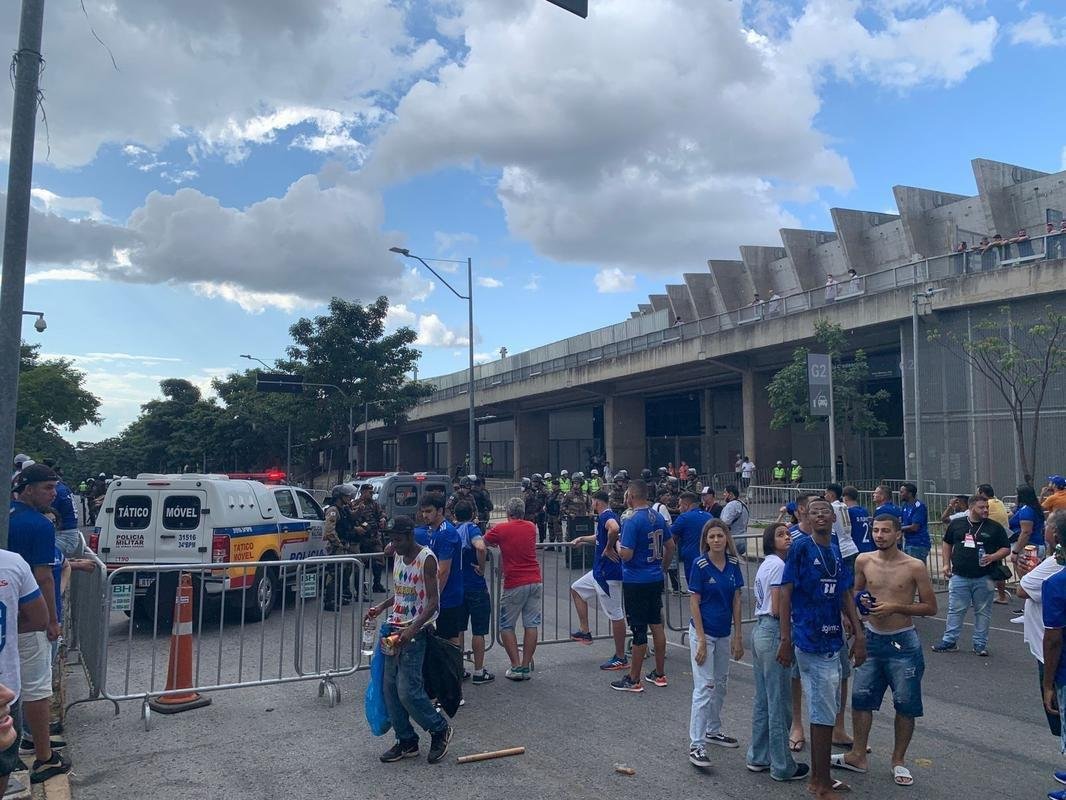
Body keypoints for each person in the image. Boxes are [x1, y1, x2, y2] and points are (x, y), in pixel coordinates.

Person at [832, 514, 937, 788]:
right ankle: (857, 755)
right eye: (876, 530)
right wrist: (857, 611)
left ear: (898, 534)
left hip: (903, 642)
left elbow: (930, 607)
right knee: (861, 698)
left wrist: (896, 607)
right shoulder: (864, 560)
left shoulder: (914, 566)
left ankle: (898, 759)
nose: (879, 535)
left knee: (905, 703)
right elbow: (854, 592)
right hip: (872, 638)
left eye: (886, 531)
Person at [777, 499, 866, 800]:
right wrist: (785, 639)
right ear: (806, 516)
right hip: (809, 639)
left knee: (825, 709)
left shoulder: (835, 551)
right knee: (823, 709)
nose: (820, 516)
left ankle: (821, 776)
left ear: (833, 517)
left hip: (833, 639)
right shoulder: (801, 548)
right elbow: (786, 593)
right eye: (814, 512)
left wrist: (859, 631)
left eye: (825, 511)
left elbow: (844, 592)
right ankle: (819, 781)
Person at [365, 516, 452, 765]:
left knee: (407, 691)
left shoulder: (426, 559)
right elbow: (403, 591)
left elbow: (432, 602)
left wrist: (411, 631)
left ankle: (439, 729)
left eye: (399, 539)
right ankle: (406, 740)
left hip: (415, 634)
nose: (395, 544)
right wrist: (381, 606)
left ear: (410, 536)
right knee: (389, 689)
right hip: (393, 629)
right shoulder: (398, 556)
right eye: (392, 539)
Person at [8, 464, 70, 782]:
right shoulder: (38, 525)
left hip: (10, 619)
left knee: (12, 686)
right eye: (48, 487)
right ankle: (44, 758)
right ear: (28, 489)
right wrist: (52, 620)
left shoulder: (9, 517)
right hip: (33, 620)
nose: (54, 493)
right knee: (36, 688)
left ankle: (23, 742)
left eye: (55, 487)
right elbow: (43, 577)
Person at [747, 523, 809, 782]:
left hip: (761, 631)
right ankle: (782, 764)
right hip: (774, 631)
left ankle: (759, 755)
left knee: (764, 699)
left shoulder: (767, 563)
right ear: (771, 541)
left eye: (788, 534)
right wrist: (787, 636)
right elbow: (777, 605)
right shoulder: (780, 566)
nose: (788, 538)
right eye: (781, 535)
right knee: (779, 701)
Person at [686, 519, 745, 767]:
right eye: (712, 537)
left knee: (720, 683)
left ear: (726, 538)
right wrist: (700, 639)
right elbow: (694, 603)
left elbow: (737, 600)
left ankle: (713, 729)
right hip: (704, 633)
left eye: (720, 536)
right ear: (706, 540)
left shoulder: (733, 565)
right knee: (704, 687)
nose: (717, 540)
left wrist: (738, 636)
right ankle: (696, 745)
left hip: (723, 633)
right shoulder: (699, 565)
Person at [612, 479, 672, 692]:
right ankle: (660, 673)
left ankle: (633, 678)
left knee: (638, 628)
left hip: (636, 580)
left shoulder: (632, 520)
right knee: (656, 624)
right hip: (654, 576)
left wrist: (617, 544)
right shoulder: (657, 516)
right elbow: (670, 545)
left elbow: (626, 555)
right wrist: (662, 567)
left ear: (632, 496)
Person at [932, 494, 1010, 656]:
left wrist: (992, 557)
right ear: (971, 507)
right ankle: (949, 640)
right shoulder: (957, 524)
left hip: (986, 577)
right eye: (982, 507)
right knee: (956, 609)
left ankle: (980, 644)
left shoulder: (994, 527)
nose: (986, 510)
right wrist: (946, 563)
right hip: (960, 575)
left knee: (983, 611)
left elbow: (1005, 548)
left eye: (987, 507)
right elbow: (947, 543)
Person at [1017, 512, 1065, 742]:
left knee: (1056, 705)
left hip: (1054, 655)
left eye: (1047, 525)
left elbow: (1022, 590)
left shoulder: (1057, 573)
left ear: (1055, 533)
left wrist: (1048, 683)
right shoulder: (1054, 563)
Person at [484, 498, 543, 681]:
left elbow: (485, 541)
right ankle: (525, 666)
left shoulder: (501, 529)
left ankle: (516, 666)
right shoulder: (531, 527)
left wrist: (490, 529)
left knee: (506, 625)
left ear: (508, 513)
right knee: (531, 624)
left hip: (515, 582)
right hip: (534, 578)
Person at [568, 491, 628, 671]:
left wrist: (609, 547)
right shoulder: (604, 517)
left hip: (608, 575)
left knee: (616, 615)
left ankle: (620, 657)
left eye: (592, 501)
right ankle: (585, 631)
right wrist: (582, 539)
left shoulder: (607, 516)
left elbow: (614, 529)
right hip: (598, 572)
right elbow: (600, 537)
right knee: (576, 589)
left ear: (596, 502)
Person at [453, 501, 493, 685]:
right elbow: (481, 546)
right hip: (475, 586)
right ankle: (478, 670)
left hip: (458, 587)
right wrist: (482, 566)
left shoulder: (451, 530)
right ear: (472, 513)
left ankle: (458, 669)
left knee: (459, 629)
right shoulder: (471, 528)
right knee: (478, 630)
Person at [420, 493, 464, 646]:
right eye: (423, 511)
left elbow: (443, 572)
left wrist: (433, 599)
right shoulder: (434, 530)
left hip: (448, 597)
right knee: (440, 638)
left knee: (449, 639)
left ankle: (454, 669)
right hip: (442, 597)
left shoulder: (446, 533)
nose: (424, 515)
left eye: (429, 511)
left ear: (440, 511)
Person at [976, 484, 1011, 604]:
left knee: (990, 571)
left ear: (981, 493)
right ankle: (1000, 595)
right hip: (1001, 540)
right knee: (996, 568)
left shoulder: (986, 504)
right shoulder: (999, 502)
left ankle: (990, 596)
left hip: (989, 541)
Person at [352, 483, 387, 594]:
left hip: (374, 536)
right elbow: (350, 518)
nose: (371, 495)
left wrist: (383, 519)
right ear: (363, 492)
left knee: (379, 562)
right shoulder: (355, 504)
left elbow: (381, 514)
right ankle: (362, 588)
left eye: (372, 493)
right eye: (369, 492)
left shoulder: (374, 504)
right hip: (362, 538)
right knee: (360, 564)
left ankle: (377, 584)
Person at [671, 493, 712, 589]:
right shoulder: (709, 516)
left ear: (686, 505)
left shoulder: (684, 518)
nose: (679, 508)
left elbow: (671, 538)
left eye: (680, 505)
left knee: (695, 589)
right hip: (708, 556)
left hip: (691, 558)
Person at [1010, 483, 1047, 564]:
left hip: (1029, 547)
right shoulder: (1032, 508)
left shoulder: (1026, 510)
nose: (1015, 497)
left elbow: (1026, 532)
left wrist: (1015, 551)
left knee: (1026, 575)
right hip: (1035, 545)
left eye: (1017, 494)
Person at [897, 482, 930, 565]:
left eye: (902, 492)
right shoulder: (904, 505)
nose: (900, 494)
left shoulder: (919, 506)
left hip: (918, 544)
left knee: (917, 570)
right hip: (908, 543)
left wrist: (896, 528)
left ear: (910, 494)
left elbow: (915, 527)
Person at [842, 486, 873, 554]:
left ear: (845, 498)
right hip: (868, 546)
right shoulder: (864, 511)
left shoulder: (848, 512)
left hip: (856, 547)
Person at [720, 485, 750, 556]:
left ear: (730, 494)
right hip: (743, 539)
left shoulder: (731, 505)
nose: (723, 495)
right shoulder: (743, 504)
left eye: (725, 492)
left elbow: (725, 523)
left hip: (733, 540)